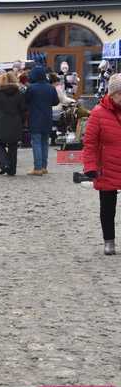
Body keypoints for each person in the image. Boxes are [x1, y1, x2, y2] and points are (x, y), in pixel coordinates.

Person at [83, 74, 121, 255]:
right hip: (107, 166)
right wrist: (90, 166)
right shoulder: (98, 113)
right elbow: (90, 143)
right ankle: (109, 241)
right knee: (107, 207)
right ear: (112, 94)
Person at [25, 66, 59, 175]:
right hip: (47, 118)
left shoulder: (31, 88)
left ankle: (37, 168)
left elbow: (25, 101)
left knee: (36, 143)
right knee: (45, 143)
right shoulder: (51, 87)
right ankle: (44, 167)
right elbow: (55, 102)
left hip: (35, 118)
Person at [0, 72, 26, 176]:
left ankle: (4, 164)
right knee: (13, 146)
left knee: (0, 144)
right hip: (15, 121)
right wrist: (22, 121)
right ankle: (12, 170)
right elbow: (23, 109)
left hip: (1, 120)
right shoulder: (19, 93)